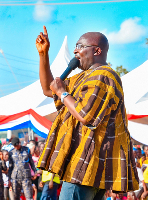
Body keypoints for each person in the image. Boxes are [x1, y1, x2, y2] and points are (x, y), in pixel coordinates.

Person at [35, 26, 138, 200]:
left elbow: (86, 115)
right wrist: (43, 55)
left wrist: (62, 93)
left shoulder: (103, 75)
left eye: (80, 46)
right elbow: (48, 88)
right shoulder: (84, 77)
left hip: (86, 166)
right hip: (86, 169)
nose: (75, 50)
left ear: (96, 50)